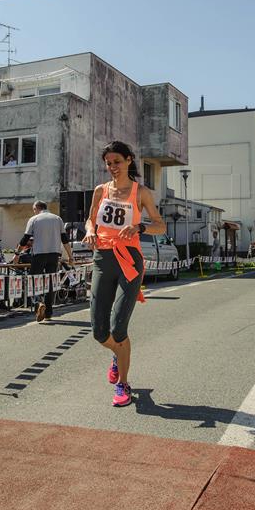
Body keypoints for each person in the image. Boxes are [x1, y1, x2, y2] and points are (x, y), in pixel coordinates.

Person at [83, 140, 166, 408]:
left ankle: (124, 383)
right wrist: (90, 231)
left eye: (117, 162)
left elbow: (160, 225)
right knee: (98, 331)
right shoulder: (100, 190)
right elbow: (91, 218)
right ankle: (118, 356)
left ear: (129, 160)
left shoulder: (140, 192)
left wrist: (139, 228)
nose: (112, 167)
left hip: (129, 260)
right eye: (108, 163)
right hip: (102, 259)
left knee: (119, 328)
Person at [12, 201, 74, 321]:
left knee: (33, 280)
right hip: (54, 254)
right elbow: (64, 239)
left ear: (36, 208)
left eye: (33, 209)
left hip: (39, 254)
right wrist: (70, 256)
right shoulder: (58, 219)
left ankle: (38, 302)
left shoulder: (34, 219)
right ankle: (48, 313)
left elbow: (25, 239)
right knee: (50, 282)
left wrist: (17, 254)